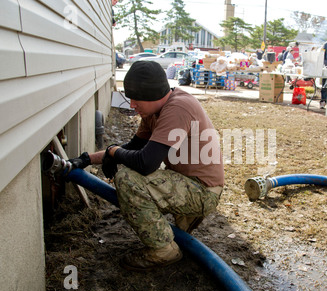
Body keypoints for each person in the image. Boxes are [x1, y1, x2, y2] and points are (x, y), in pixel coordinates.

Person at [69, 61, 224, 271]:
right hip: (187, 180)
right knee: (129, 169)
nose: (131, 104)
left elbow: (146, 163)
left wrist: (113, 152)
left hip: (203, 190)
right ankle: (184, 217)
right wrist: (87, 159)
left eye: (136, 99)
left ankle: (164, 250)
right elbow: (133, 147)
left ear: (153, 94)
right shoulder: (155, 110)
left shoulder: (177, 108)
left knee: (128, 179)